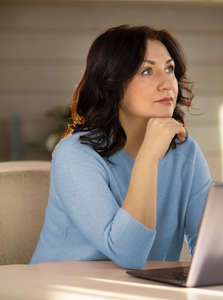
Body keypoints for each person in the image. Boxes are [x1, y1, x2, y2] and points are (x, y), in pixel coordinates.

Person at [30, 25, 212, 269]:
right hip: (66, 289)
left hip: (145, 290)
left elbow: (211, 245)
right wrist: (148, 157)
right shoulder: (74, 154)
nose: (167, 83)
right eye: (147, 71)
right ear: (112, 84)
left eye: (169, 69)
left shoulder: (185, 151)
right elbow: (127, 254)